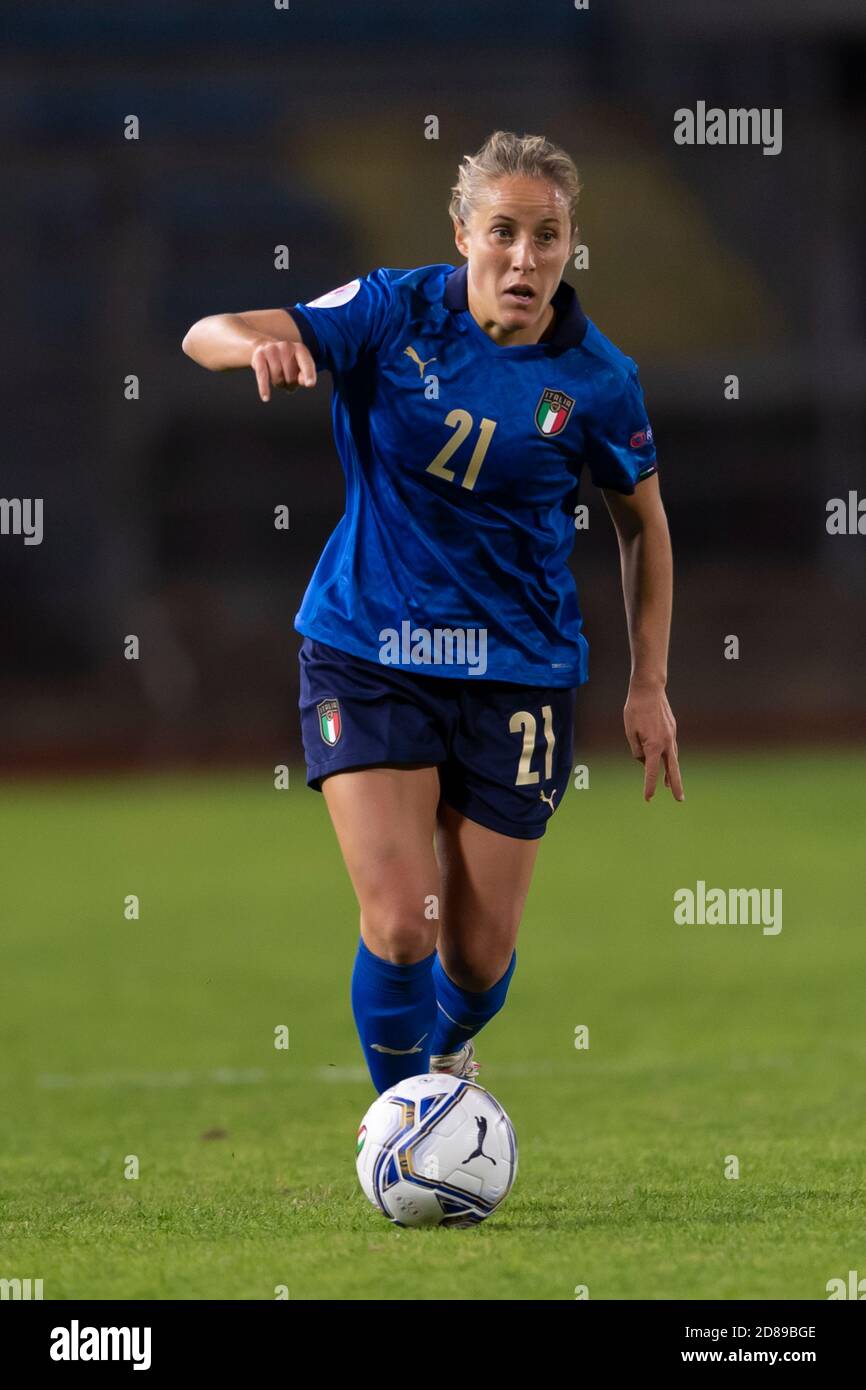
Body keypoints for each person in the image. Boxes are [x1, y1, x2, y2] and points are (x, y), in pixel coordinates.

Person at [181, 129, 683, 1096]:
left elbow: (643, 527)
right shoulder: (389, 310)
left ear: (571, 247)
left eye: (548, 236)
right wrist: (264, 345)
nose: (524, 258)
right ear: (463, 232)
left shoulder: (600, 381)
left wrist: (649, 684)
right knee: (404, 921)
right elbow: (206, 329)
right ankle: (401, 1124)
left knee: (479, 959)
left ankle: (447, 1057)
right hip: (372, 649)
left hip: (520, 669)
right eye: (504, 231)